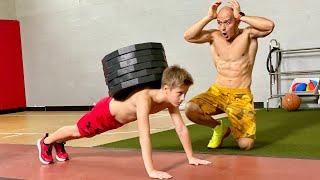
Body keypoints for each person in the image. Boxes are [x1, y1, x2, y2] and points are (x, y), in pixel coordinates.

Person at [36, 65, 211, 179]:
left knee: (84, 135)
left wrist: (191, 157)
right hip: (105, 114)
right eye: (180, 93)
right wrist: (151, 170)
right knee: (78, 131)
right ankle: (46, 141)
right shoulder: (144, 99)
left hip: (117, 121)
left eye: (185, 94)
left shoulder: (169, 101)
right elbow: (144, 137)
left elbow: (180, 128)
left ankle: (58, 142)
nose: (183, 98)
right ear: (166, 89)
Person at [183, 0, 274, 150]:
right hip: (218, 92)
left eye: (227, 22)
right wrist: (208, 17)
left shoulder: (248, 34)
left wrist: (241, 16)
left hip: (240, 95)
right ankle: (220, 128)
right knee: (190, 108)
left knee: (246, 145)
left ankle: (238, 128)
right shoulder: (213, 36)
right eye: (219, 23)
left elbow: (269, 26)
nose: (223, 28)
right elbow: (188, 36)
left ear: (236, 21)